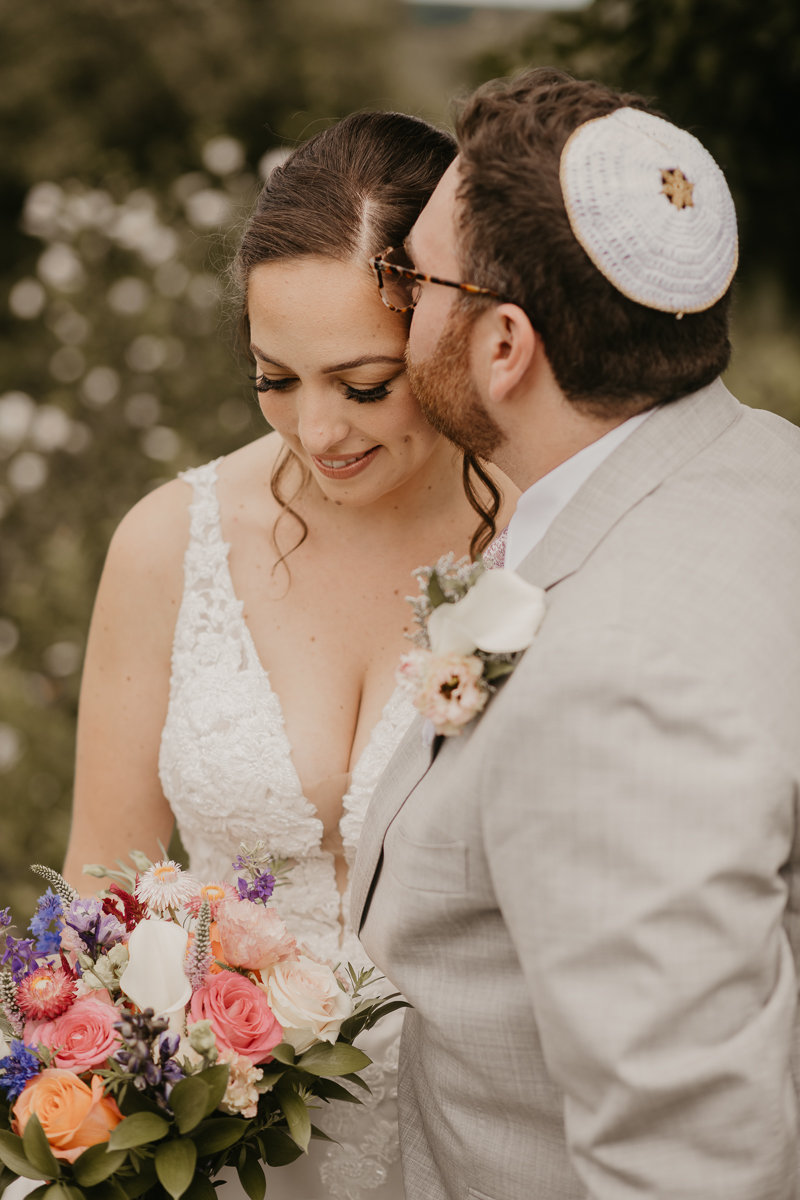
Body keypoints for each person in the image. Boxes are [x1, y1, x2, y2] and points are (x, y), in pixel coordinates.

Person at [352, 69, 800, 1200]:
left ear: (504, 345)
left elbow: (683, 1166)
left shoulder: (611, 683)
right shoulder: (764, 469)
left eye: (410, 274)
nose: (394, 307)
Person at [61, 111, 515, 1200]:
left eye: (362, 384)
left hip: (498, 1149)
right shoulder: (170, 544)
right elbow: (96, 896)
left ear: (453, 336)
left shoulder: (546, 538)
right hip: (232, 1168)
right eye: (275, 378)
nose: (318, 433)